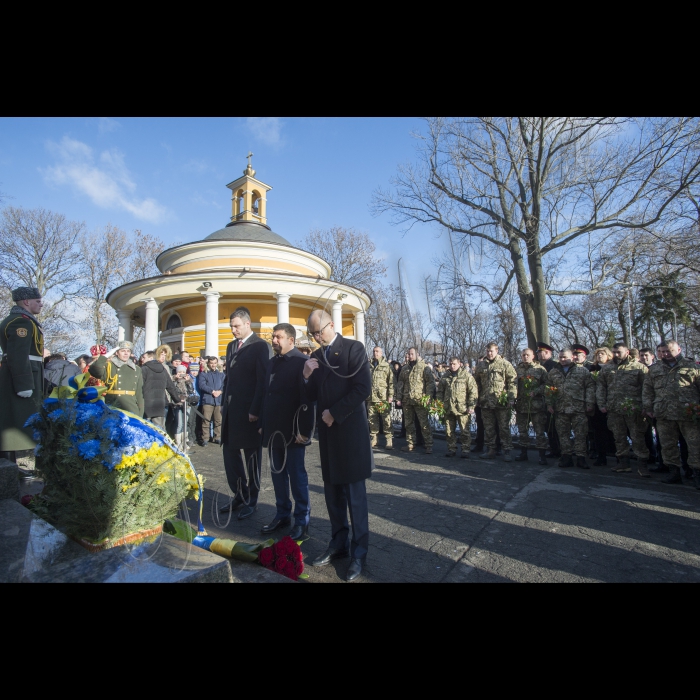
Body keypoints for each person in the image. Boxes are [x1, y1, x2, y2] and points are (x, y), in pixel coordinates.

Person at [303, 309, 372, 581]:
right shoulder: (315, 357)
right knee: (333, 497)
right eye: (313, 334)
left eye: (319, 332)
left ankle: (359, 553)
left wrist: (335, 412)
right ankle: (338, 544)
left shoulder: (353, 348)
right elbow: (308, 396)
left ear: (332, 324)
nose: (317, 337)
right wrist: (306, 376)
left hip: (349, 433)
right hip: (328, 438)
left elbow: (362, 388)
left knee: (356, 499)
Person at [259, 323, 314, 541]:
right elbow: (267, 394)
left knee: (297, 476)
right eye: (273, 336)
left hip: (294, 432)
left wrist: (305, 430)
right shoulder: (272, 363)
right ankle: (282, 514)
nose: (274, 340)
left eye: (278, 337)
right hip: (273, 430)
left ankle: (302, 521)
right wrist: (263, 422)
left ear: (291, 340)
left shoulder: (301, 362)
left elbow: (308, 399)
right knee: (277, 475)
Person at [220, 307, 272, 519]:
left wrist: (256, 410)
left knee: (252, 458)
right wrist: (224, 403)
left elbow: (263, 381)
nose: (233, 330)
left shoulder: (261, 346)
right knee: (230, 454)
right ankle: (239, 495)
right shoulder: (231, 346)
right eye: (231, 326)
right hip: (231, 412)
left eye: (236, 326)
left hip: (250, 413)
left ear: (248, 324)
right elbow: (229, 379)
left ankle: (253, 498)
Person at [643, 340, 700, 488]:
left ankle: (696, 473)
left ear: (679, 349)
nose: (665, 354)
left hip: (687, 413)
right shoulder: (655, 369)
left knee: (695, 444)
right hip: (664, 413)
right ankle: (674, 472)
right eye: (661, 351)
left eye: (668, 351)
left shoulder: (692, 366)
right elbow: (648, 390)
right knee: (668, 445)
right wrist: (648, 407)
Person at [0, 287, 44, 462]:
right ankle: (16, 465)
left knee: (19, 422)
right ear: (26, 302)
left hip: (29, 374)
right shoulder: (21, 322)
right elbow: (18, 356)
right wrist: (24, 385)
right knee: (18, 423)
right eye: (38, 301)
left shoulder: (24, 320)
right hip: (24, 379)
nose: (41, 304)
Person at [597, 342, 650, 476]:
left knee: (637, 437)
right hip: (614, 408)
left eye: (618, 352)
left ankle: (642, 465)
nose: (615, 355)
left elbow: (647, 388)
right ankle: (623, 463)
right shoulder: (607, 369)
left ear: (627, 352)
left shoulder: (639, 368)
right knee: (619, 437)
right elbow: (601, 387)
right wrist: (602, 404)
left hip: (634, 409)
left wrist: (645, 406)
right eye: (614, 352)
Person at [546, 348, 595, 469]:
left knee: (580, 434)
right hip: (561, 408)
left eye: (565, 357)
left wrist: (589, 403)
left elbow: (590, 387)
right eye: (561, 357)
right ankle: (566, 456)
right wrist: (549, 404)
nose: (562, 359)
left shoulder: (582, 371)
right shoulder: (553, 372)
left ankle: (581, 458)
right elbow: (548, 388)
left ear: (572, 357)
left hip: (578, 408)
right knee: (563, 434)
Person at [475, 342, 517, 461]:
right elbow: (476, 383)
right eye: (487, 351)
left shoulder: (505, 364)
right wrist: (477, 398)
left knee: (503, 427)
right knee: (489, 428)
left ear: (497, 351)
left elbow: (512, 382)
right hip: (486, 402)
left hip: (501, 402)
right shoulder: (481, 365)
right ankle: (491, 449)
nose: (489, 353)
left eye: (491, 351)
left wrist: (511, 398)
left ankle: (507, 450)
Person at [395, 347, 435, 454]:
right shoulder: (405, 369)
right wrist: (399, 398)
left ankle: (428, 444)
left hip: (419, 400)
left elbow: (430, 383)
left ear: (417, 354)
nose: (410, 356)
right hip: (407, 400)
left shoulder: (424, 367)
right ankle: (411, 444)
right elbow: (400, 384)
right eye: (409, 354)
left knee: (423, 423)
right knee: (408, 424)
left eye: (412, 354)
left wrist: (428, 397)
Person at [437, 356, 478, 459]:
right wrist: (439, 404)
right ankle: (451, 449)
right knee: (449, 431)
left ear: (459, 364)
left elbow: (473, 391)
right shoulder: (445, 376)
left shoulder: (466, 376)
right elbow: (440, 391)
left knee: (464, 431)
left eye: (454, 364)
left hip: (462, 408)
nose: (452, 366)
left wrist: (471, 405)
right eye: (450, 364)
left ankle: (465, 449)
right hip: (448, 408)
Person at [514, 348, 549, 465]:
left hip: (536, 406)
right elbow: (513, 384)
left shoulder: (540, 369)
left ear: (533, 356)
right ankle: (523, 453)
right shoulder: (518, 369)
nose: (525, 357)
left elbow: (547, 384)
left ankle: (542, 456)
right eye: (523, 355)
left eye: (528, 355)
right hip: (521, 405)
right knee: (522, 431)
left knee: (539, 432)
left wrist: (537, 391)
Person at [89, 341, 144, 416]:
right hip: (113, 405)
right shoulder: (109, 366)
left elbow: (139, 393)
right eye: (123, 351)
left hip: (131, 406)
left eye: (128, 351)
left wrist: (140, 413)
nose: (126, 353)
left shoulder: (137, 369)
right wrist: (105, 356)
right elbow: (94, 370)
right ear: (116, 353)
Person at [587, 346, 616, 466]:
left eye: (602, 354)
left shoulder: (614, 368)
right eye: (598, 354)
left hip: (612, 403)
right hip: (596, 405)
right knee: (598, 431)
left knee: (614, 431)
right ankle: (601, 456)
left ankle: (618, 456)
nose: (599, 356)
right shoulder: (592, 369)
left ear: (609, 355)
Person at [141, 350, 182, 428]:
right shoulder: (163, 369)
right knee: (160, 429)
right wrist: (177, 399)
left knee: (145, 428)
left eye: (144, 357)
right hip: (160, 403)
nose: (142, 359)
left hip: (146, 404)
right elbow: (170, 386)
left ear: (150, 358)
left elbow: (140, 386)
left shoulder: (144, 369)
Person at [367, 346, 396, 450]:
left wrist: (390, 395)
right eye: (374, 351)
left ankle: (389, 439)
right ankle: (374, 438)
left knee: (386, 419)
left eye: (377, 351)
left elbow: (392, 382)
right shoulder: (369, 365)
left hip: (382, 397)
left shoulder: (387, 366)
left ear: (381, 353)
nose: (375, 353)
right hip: (371, 397)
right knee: (372, 419)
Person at [537, 341, 561, 458]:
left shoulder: (554, 365)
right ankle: (554, 449)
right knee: (548, 426)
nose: (538, 354)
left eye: (540, 352)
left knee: (554, 426)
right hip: (544, 401)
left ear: (547, 353)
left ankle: (558, 449)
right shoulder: (541, 366)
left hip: (553, 400)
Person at [197, 355, 224, 445]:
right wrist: (212, 391)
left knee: (218, 420)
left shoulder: (221, 374)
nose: (213, 365)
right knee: (206, 420)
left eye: (215, 363)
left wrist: (220, 391)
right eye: (211, 363)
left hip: (218, 400)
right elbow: (202, 385)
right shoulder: (203, 373)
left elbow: (224, 384)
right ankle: (205, 438)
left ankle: (218, 437)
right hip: (208, 400)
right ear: (208, 363)